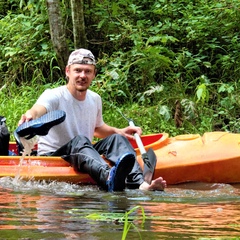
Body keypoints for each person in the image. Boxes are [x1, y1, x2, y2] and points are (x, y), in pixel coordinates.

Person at [18, 48, 167, 192]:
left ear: (94, 74)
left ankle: (141, 184)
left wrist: (120, 131)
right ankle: (108, 176)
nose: (82, 75)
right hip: (55, 156)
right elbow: (38, 109)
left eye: (87, 71)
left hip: (81, 152)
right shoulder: (54, 95)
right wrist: (30, 115)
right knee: (80, 141)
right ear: (67, 71)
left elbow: (97, 128)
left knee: (117, 139)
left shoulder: (95, 99)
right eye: (78, 70)